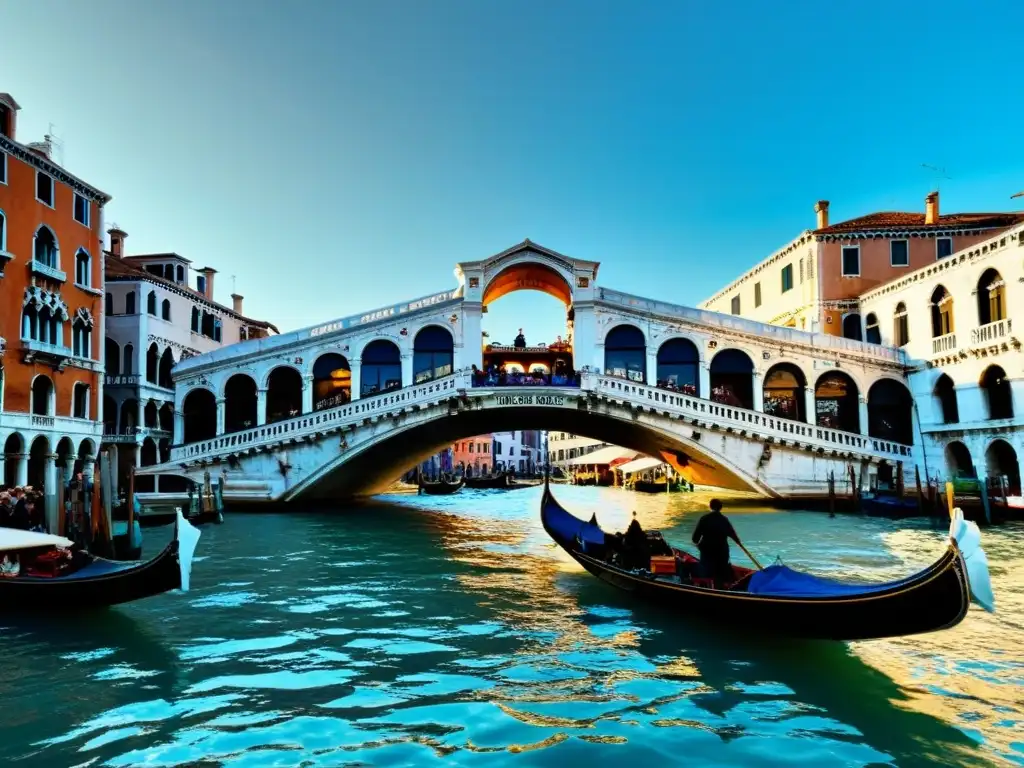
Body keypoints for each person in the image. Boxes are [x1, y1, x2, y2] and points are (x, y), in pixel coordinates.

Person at [691, 499, 741, 587]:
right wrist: (738, 543)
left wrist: (698, 545)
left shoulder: (704, 519)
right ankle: (721, 586)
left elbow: (695, 539)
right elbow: (734, 537)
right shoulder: (725, 520)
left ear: (710, 506)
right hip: (722, 552)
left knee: (707, 572)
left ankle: (708, 586)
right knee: (720, 573)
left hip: (707, 551)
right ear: (721, 508)